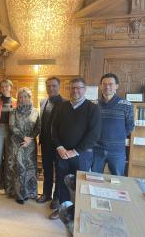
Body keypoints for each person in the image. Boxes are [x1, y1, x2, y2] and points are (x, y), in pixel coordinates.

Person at [51, 77, 101, 218]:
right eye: (72, 88)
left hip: (81, 155)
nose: (75, 90)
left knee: (80, 184)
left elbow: (94, 134)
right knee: (62, 182)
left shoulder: (93, 108)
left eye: (79, 87)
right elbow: (53, 129)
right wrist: (59, 147)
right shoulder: (61, 107)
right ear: (69, 89)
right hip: (62, 154)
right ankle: (64, 209)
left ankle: (79, 211)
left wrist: (75, 151)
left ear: (84, 90)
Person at [92, 73, 134, 176]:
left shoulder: (126, 105)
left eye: (110, 84)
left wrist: (116, 137)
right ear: (100, 86)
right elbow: (90, 126)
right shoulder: (93, 105)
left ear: (116, 86)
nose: (107, 86)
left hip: (117, 151)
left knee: (118, 180)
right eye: (104, 84)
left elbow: (130, 126)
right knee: (94, 179)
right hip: (96, 150)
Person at [5, 87, 39, 204]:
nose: (23, 99)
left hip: (30, 144)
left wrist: (30, 138)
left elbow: (38, 127)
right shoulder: (13, 111)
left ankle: (30, 192)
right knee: (18, 168)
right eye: (20, 97)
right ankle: (18, 194)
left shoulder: (36, 111)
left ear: (29, 98)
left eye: (25, 96)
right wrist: (23, 137)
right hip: (16, 143)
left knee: (30, 167)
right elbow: (12, 127)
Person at [36, 77, 64, 213]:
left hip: (59, 145)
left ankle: (56, 197)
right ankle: (46, 194)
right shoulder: (42, 101)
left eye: (54, 86)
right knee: (46, 170)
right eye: (48, 86)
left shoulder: (65, 103)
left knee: (59, 172)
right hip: (45, 142)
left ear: (59, 86)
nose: (51, 88)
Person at [0, 79, 17, 195]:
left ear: (11, 88)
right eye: (3, 86)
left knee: (9, 159)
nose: (5, 88)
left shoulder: (16, 102)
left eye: (7, 86)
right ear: (0, 88)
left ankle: (8, 183)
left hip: (11, 132)